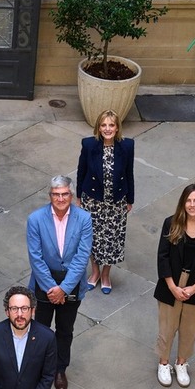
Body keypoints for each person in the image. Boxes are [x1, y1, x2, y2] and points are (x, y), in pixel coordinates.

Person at [26, 175, 92, 389]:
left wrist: (63, 289)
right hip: (44, 284)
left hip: (71, 283)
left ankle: (59, 369)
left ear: (71, 195)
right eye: (56, 194)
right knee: (40, 329)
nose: (61, 198)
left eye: (65, 194)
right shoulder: (36, 219)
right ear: (50, 196)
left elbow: (82, 257)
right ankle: (39, 368)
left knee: (65, 330)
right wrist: (52, 288)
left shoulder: (84, 219)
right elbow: (36, 258)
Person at [154, 183, 195, 388]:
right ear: (183, 202)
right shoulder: (171, 223)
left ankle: (181, 362)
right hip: (171, 284)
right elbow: (162, 257)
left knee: (190, 328)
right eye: (188, 200)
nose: (192, 205)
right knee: (167, 327)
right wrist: (173, 287)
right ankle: (163, 363)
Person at [76, 109, 135, 294]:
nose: (107, 129)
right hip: (93, 201)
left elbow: (129, 173)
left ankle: (106, 274)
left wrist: (130, 199)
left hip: (117, 202)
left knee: (112, 239)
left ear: (117, 127)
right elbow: (81, 171)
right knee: (93, 238)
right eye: (103, 125)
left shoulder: (127, 146)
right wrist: (78, 197)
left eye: (111, 125)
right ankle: (94, 273)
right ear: (98, 127)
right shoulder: (88, 145)